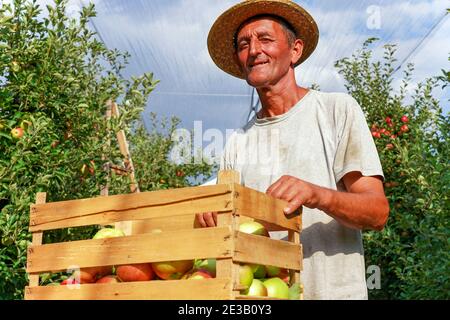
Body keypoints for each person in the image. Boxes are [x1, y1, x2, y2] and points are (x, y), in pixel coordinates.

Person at [197, 0, 389, 300]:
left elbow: (377, 212)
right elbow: (229, 233)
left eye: (265, 39)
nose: (254, 50)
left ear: (295, 50)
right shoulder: (237, 143)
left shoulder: (337, 111)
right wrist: (208, 217)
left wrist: (318, 195)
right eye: (244, 44)